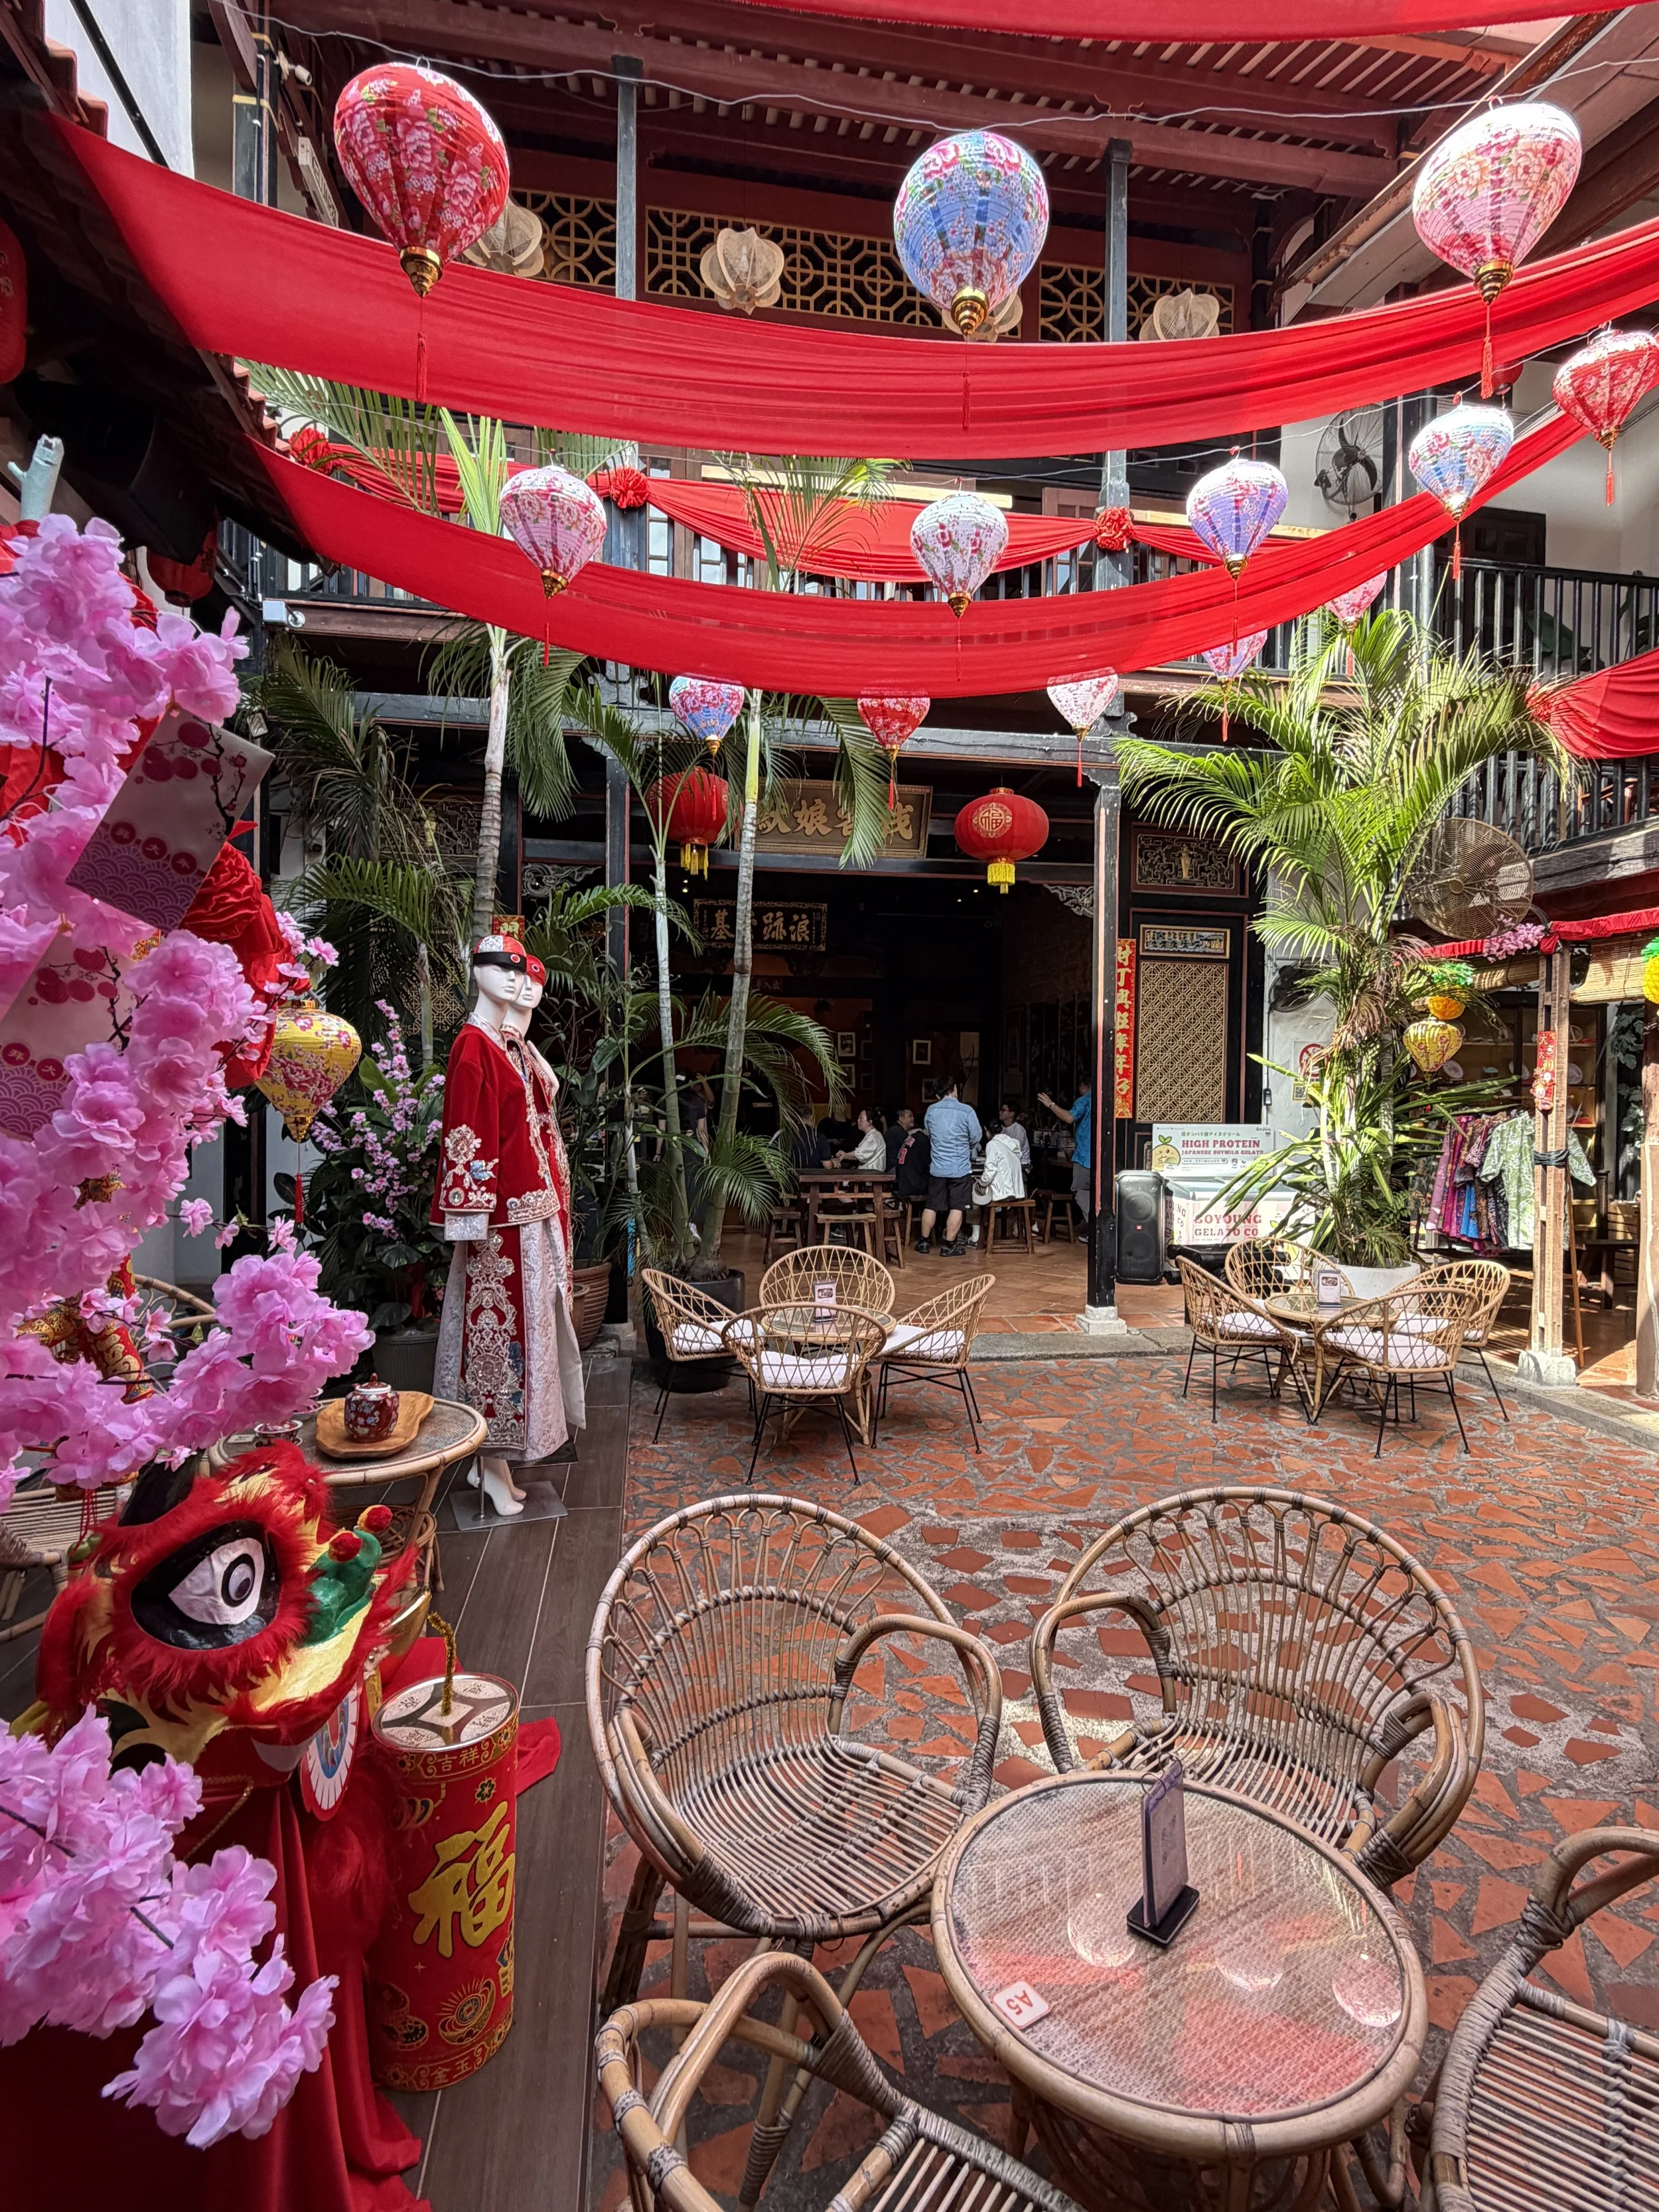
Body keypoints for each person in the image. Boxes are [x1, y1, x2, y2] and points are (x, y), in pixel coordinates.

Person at [917, 1078, 981, 1256]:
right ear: (955, 1089)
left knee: (932, 1205)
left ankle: (923, 1242)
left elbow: (929, 1133)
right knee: (957, 1207)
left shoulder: (931, 1110)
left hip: (937, 1167)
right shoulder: (966, 1111)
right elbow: (976, 1137)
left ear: (938, 1095)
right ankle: (949, 1245)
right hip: (960, 1168)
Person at [1039, 1085, 1094, 1220]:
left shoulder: (1085, 1100)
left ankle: (1094, 1226)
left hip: (1085, 1157)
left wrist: (1051, 1105)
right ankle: (1089, 1225)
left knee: (1081, 1191)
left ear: (1083, 1086)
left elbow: (1069, 1118)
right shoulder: (1109, 1099)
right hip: (1104, 1158)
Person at [971, 1119, 1027, 1242]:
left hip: (1003, 1194)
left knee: (973, 1197)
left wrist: (981, 1184)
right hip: (1017, 1193)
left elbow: (990, 1171)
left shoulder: (992, 1145)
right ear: (1002, 1128)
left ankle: (976, 1237)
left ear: (987, 1132)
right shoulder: (1013, 1144)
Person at [833, 1106, 887, 1173]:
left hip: (872, 1177)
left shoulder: (874, 1137)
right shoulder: (871, 1135)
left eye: (861, 1118)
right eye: (859, 1118)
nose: (858, 1120)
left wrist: (845, 1155)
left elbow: (860, 1154)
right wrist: (844, 1156)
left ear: (870, 1122)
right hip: (868, 1175)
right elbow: (860, 1156)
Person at [892, 1110, 930, 1203]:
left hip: (903, 1182)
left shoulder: (913, 1137)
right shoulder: (923, 1140)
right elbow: (928, 1164)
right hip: (913, 1185)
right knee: (941, 1188)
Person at [997, 1098, 1031, 1167]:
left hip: (1021, 1167)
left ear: (1012, 1114)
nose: (1000, 1112)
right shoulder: (1004, 1129)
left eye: (1003, 1110)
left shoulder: (1018, 1129)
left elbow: (1015, 1151)